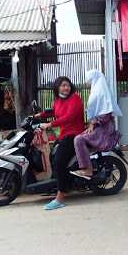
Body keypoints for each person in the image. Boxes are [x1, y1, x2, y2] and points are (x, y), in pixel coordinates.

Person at [38, 76, 84, 210]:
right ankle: (65, 184)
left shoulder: (75, 98)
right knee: (53, 159)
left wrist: (50, 124)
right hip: (63, 134)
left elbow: (69, 116)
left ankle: (60, 198)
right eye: (63, 85)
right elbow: (53, 112)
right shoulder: (57, 101)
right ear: (57, 87)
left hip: (74, 134)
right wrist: (37, 116)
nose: (66, 88)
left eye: (68, 85)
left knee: (59, 162)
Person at [71, 70, 122, 179]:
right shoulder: (97, 90)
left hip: (103, 130)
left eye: (88, 79)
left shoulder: (100, 92)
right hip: (99, 127)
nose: (87, 82)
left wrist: (93, 123)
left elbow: (106, 114)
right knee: (78, 138)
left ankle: (87, 169)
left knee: (78, 139)